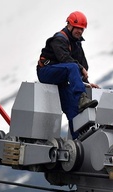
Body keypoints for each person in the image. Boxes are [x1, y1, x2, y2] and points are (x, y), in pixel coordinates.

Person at [37, 11, 100, 139]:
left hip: (61, 79)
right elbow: (65, 59)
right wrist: (80, 69)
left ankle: (78, 142)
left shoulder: (76, 43)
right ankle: (81, 98)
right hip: (46, 72)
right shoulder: (59, 39)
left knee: (73, 110)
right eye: (78, 28)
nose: (80, 31)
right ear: (70, 25)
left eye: (82, 29)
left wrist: (86, 83)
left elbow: (82, 66)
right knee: (72, 67)